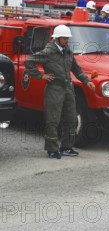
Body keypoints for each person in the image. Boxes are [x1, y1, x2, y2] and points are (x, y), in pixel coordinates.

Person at [24, 25, 95, 159]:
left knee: (71, 118)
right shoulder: (48, 52)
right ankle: (52, 149)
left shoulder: (67, 51)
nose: (67, 40)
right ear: (56, 38)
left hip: (68, 88)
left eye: (67, 38)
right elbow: (29, 61)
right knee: (53, 119)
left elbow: (76, 69)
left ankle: (66, 147)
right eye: (64, 38)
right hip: (54, 89)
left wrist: (87, 81)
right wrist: (41, 76)